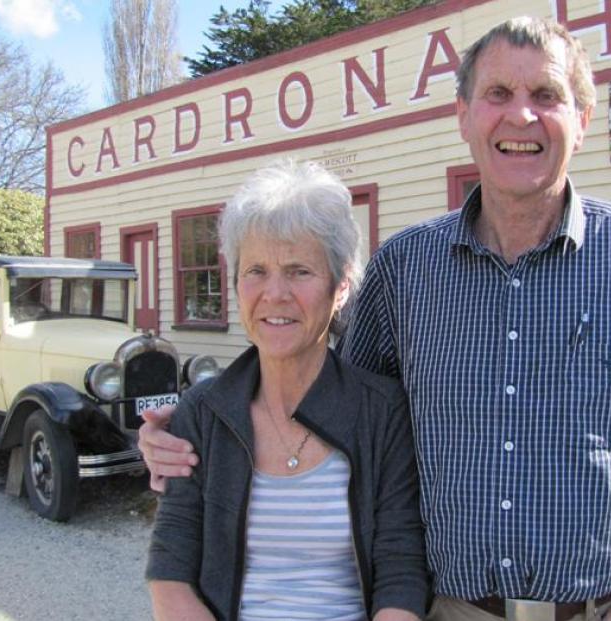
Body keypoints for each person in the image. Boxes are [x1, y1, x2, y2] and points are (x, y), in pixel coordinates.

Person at [141, 16, 611, 621]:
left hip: (609, 607)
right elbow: (338, 412)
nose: (521, 116)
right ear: (462, 115)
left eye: (546, 94)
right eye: (497, 93)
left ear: (583, 118)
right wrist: (191, 434)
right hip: (449, 609)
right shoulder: (406, 269)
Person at [145, 160, 428, 621]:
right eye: (256, 270)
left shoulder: (381, 411)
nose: (275, 294)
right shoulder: (204, 412)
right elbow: (170, 573)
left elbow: (402, 573)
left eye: (299, 271)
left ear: (340, 288)